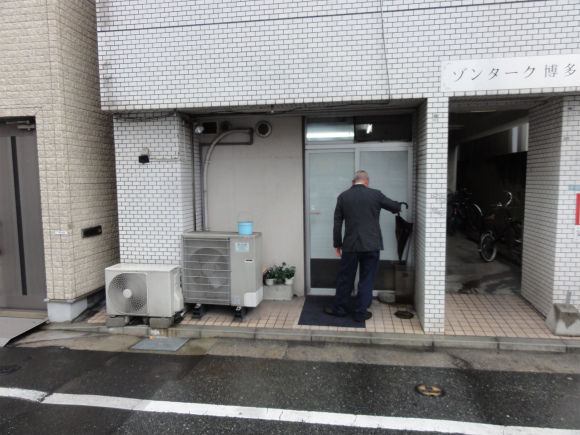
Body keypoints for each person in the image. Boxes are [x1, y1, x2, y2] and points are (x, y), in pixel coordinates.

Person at [324, 170, 401, 322]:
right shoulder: (375, 194)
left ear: (352, 182)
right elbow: (395, 207)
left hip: (351, 246)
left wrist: (337, 244)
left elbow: (337, 223)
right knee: (367, 279)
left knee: (346, 278)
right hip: (371, 245)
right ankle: (360, 313)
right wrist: (398, 205)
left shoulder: (343, 196)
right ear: (367, 181)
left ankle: (339, 309)